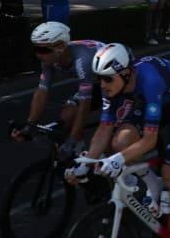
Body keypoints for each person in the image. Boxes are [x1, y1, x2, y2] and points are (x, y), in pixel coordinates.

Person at [73, 44, 170, 238]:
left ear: (125, 73)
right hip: (153, 98)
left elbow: (150, 141)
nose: (102, 86)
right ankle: (151, 182)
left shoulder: (149, 81)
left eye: (107, 79)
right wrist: (86, 164)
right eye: (99, 79)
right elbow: (104, 129)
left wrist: (117, 160)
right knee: (121, 141)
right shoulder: (114, 84)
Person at [13, 22, 105, 151]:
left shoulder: (82, 61)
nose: (38, 55)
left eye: (43, 50)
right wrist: (30, 124)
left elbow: (85, 103)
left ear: (60, 46)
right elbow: (42, 91)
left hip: (114, 81)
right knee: (66, 116)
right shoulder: (50, 58)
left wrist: (73, 137)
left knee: (108, 121)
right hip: (95, 82)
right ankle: (76, 152)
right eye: (36, 49)